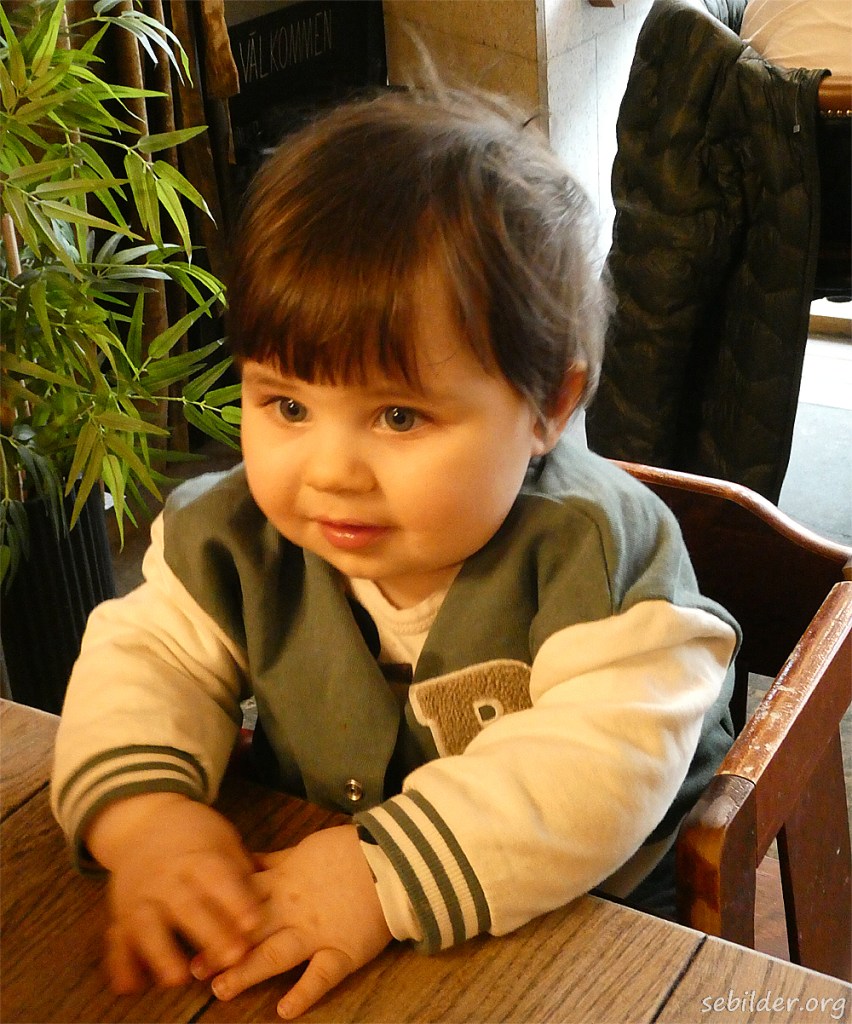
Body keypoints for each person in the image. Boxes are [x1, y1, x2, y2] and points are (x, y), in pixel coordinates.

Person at [51, 86, 739, 1019]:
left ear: (549, 406)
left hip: (595, 908)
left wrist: (381, 875)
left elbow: (601, 769)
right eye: (287, 404)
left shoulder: (603, 557)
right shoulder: (230, 539)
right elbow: (147, 658)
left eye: (399, 416)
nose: (330, 470)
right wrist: (145, 820)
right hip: (309, 875)